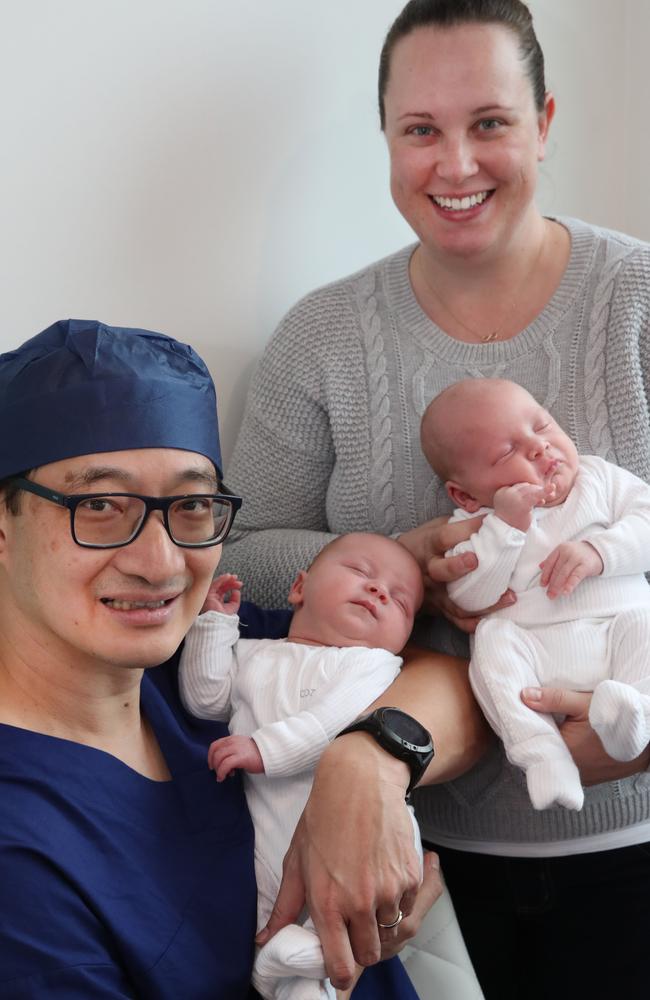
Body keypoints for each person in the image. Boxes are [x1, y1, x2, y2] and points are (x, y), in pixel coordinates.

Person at [218, 1, 650, 997]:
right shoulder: (322, 338)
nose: (454, 164)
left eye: (488, 123)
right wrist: (395, 556)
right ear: (387, 138)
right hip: (410, 853)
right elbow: (238, 554)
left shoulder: (633, 303)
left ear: (542, 121)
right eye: (420, 130)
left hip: (632, 839)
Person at [0, 319, 439, 1000]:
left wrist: (371, 765)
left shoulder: (190, 664)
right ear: (4, 526)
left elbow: (436, 677)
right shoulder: (20, 857)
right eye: (101, 506)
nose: (161, 563)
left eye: (193, 505)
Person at [179, 532, 425, 1000]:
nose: (379, 591)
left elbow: (334, 725)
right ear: (299, 588)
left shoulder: (373, 667)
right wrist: (213, 626)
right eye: (361, 572)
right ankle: (285, 967)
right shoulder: (254, 654)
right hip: (270, 832)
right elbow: (205, 700)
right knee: (277, 922)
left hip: (359, 829)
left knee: (349, 916)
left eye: (401, 601)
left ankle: (298, 964)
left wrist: (265, 749)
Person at [421, 378, 650, 811]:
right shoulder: (479, 524)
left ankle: (634, 716)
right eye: (507, 452)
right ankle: (540, 751)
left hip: (619, 631)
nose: (539, 448)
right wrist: (507, 528)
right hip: (536, 653)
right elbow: (469, 599)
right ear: (466, 495)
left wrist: (600, 552)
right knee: (491, 643)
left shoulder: (598, 478)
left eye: (542, 426)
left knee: (646, 625)